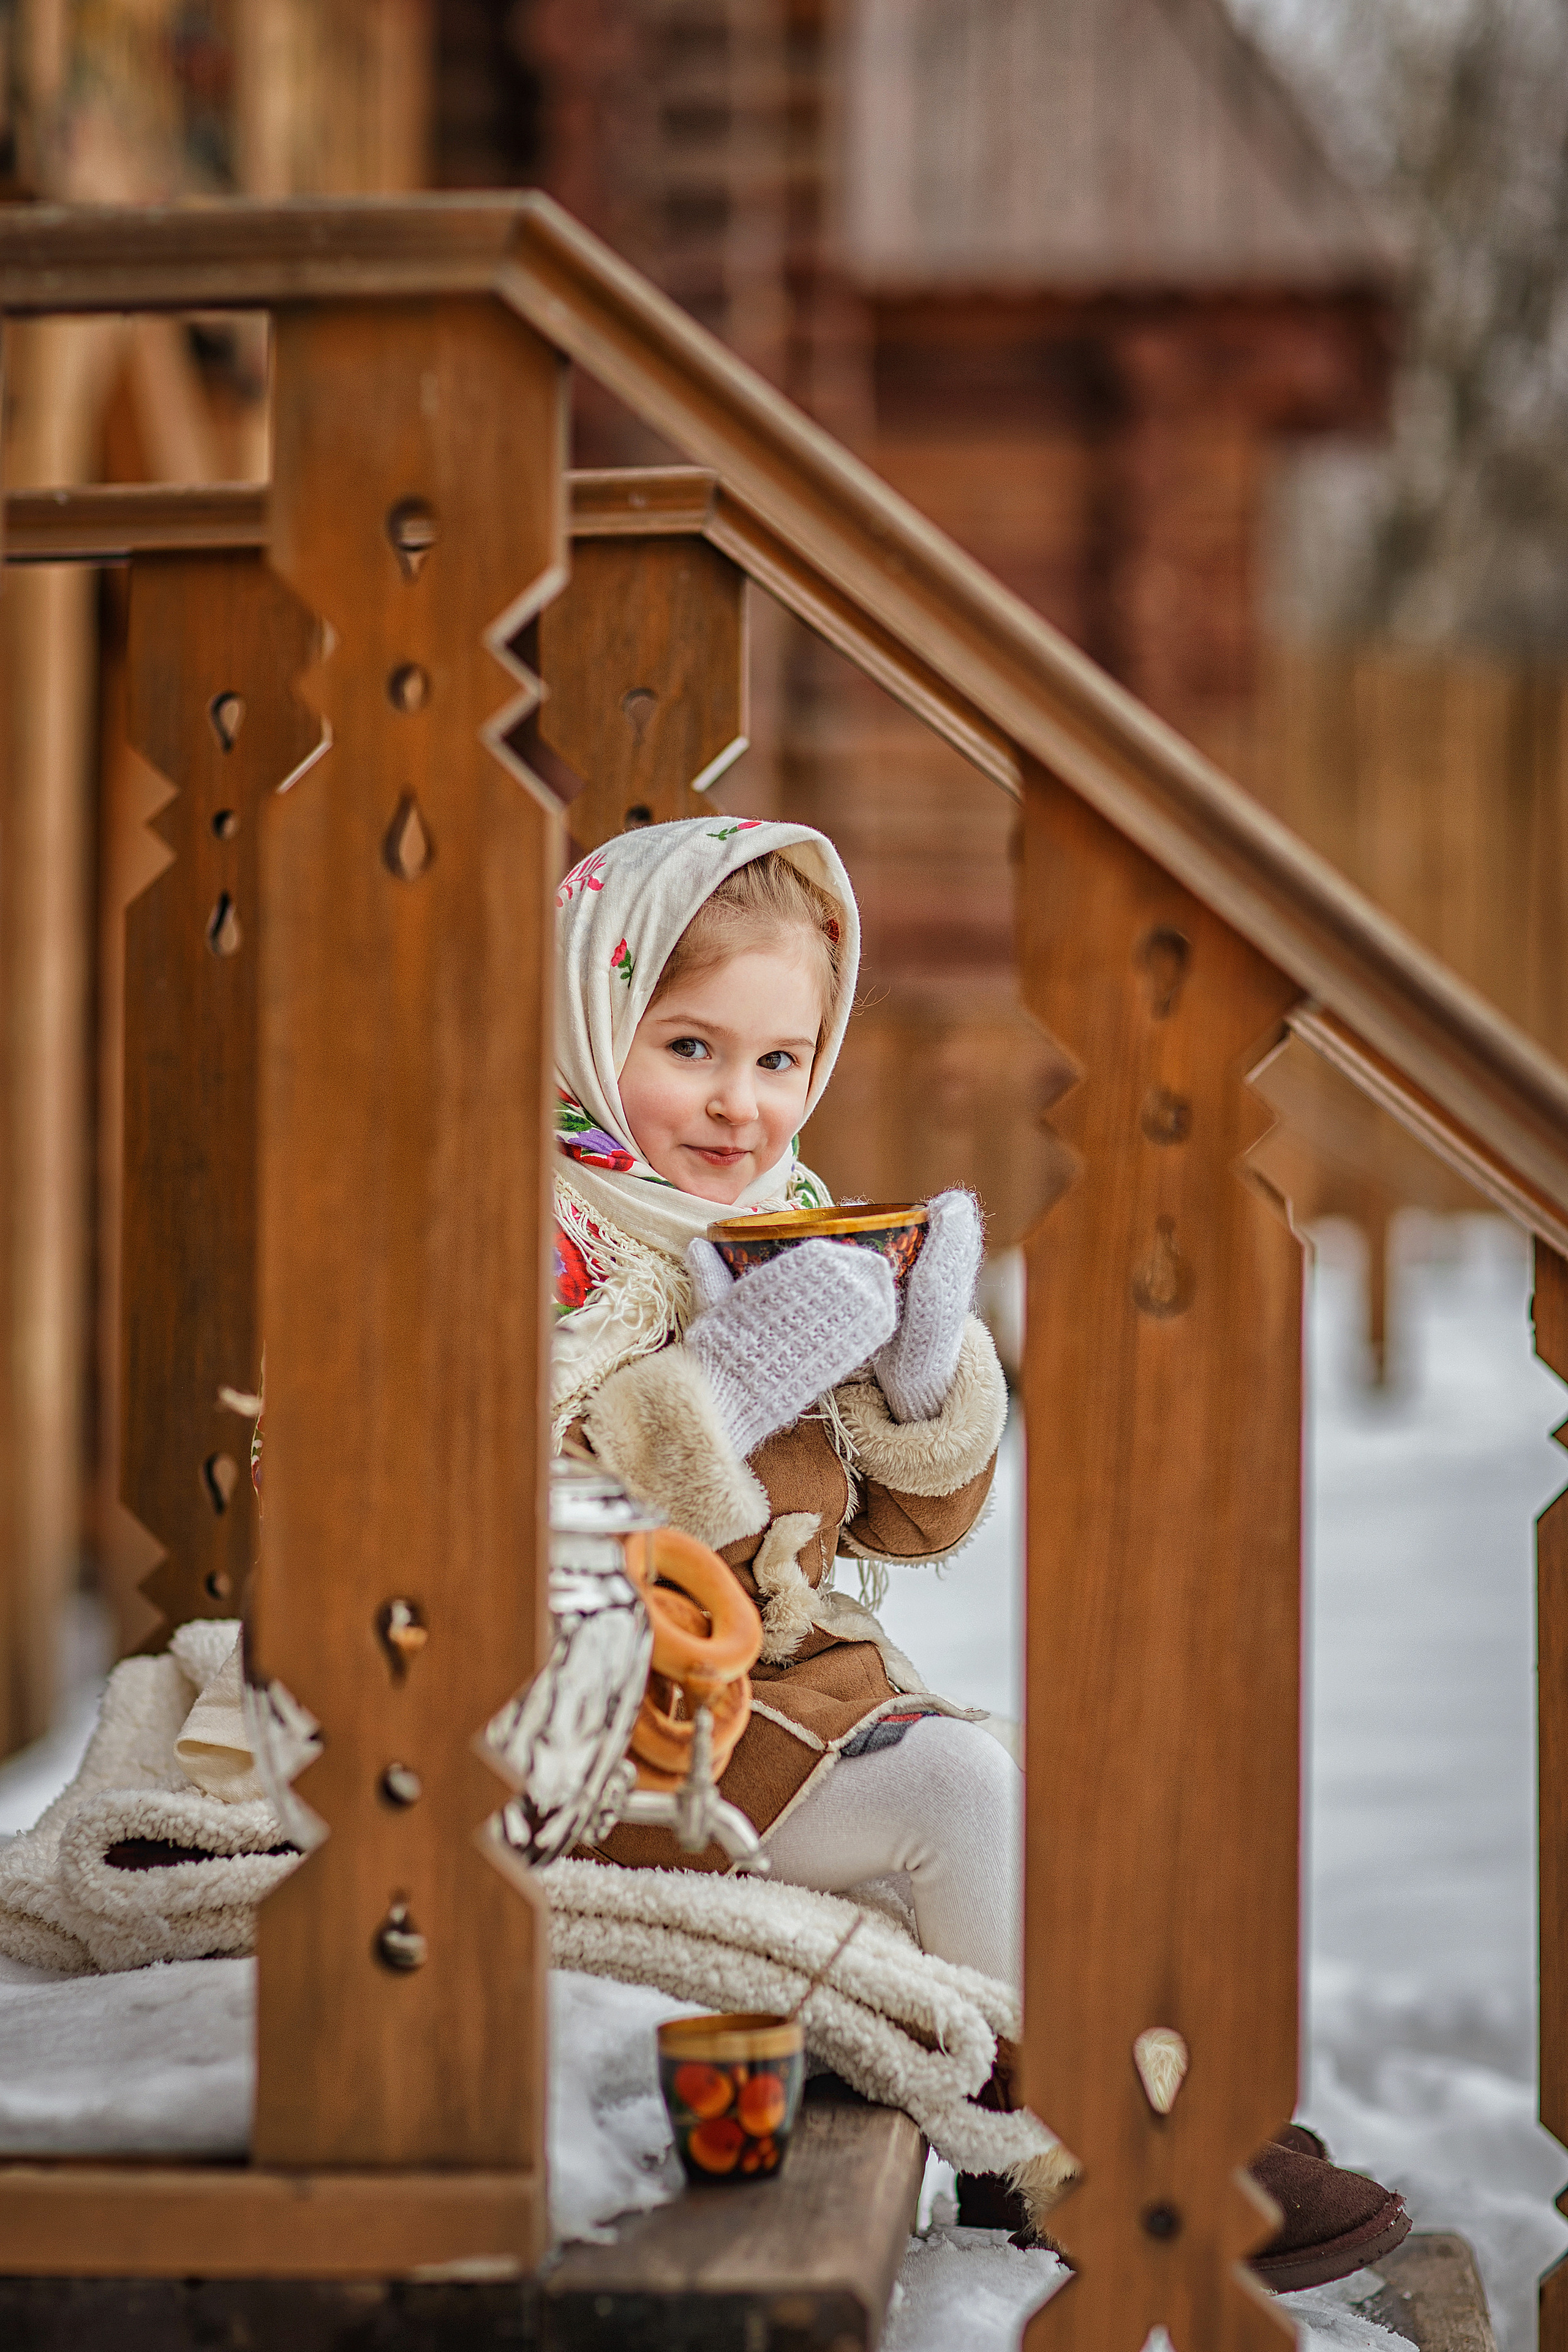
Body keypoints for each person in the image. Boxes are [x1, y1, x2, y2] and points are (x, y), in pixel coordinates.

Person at [552, 815, 1409, 2285]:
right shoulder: (543, 1240)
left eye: (778, 1061)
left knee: (1029, 1788)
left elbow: (906, 1521)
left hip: (777, 1716)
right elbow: (528, 1515)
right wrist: (717, 1394)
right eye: (688, 1046)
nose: (738, 1105)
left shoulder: (776, 1227)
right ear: (587, 1013)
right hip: (619, 1742)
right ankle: (1082, 2150)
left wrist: (919, 1378)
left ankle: (1145, 2093)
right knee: (951, 1786)